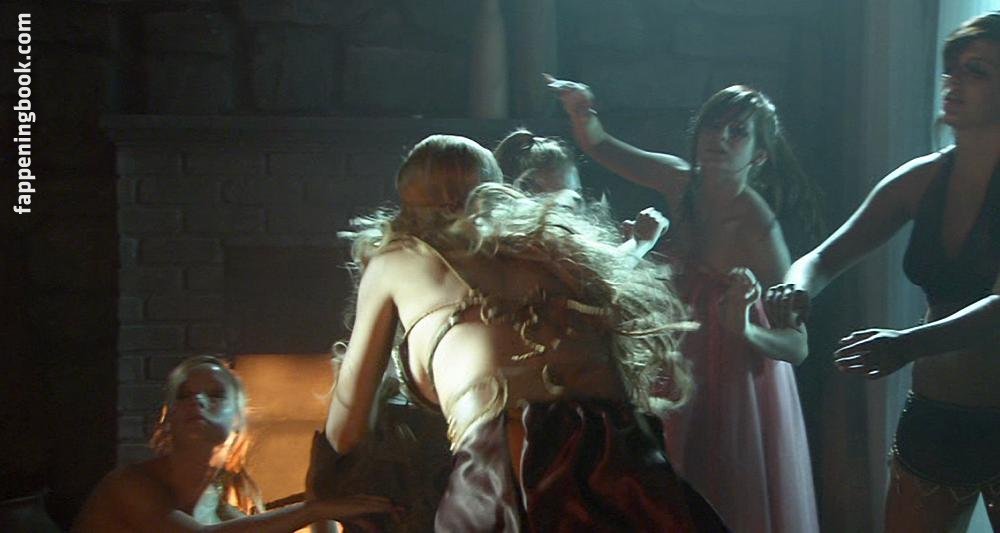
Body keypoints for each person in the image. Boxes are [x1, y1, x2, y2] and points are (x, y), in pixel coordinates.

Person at [323, 134, 728, 531]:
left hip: (512, 471)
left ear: (406, 202)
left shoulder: (395, 258)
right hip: (625, 461)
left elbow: (344, 433)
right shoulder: (552, 251)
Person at [548, 75, 822, 533]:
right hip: (674, 354)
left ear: (759, 155)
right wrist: (581, 110)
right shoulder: (680, 182)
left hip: (732, 381)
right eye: (713, 126)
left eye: (738, 132)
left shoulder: (757, 226)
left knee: (721, 492)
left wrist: (745, 329)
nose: (720, 138)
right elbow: (602, 147)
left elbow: (798, 345)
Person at [765, 12, 1000, 532]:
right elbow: (823, 257)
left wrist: (907, 344)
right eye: (951, 69)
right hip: (936, 415)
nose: (954, 81)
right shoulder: (922, 179)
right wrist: (796, 290)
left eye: (977, 71)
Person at [73, 355, 395, 532]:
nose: (197, 401)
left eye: (215, 395)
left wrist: (320, 497)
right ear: (168, 418)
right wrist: (314, 509)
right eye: (184, 395)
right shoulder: (130, 486)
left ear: (238, 420)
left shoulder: (220, 510)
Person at [493, 128, 670, 262]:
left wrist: (627, 244)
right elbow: (609, 270)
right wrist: (640, 242)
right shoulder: (532, 238)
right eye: (566, 196)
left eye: (578, 192)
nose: (577, 204)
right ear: (525, 190)